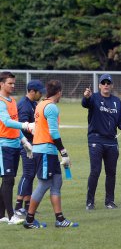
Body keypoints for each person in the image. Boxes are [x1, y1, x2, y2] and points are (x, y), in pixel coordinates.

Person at [23, 80, 78, 229]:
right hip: (45, 150)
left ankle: (60, 219)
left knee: (57, 181)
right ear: (59, 92)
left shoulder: (40, 104)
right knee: (45, 183)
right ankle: (29, 220)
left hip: (46, 150)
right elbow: (53, 132)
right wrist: (64, 152)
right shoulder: (51, 107)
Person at [82, 74, 121, 210]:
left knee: (111, 172)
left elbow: (120, 121)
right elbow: (85, 104)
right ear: (99, 85)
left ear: (112, 85)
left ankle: (109, 201)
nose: (106, 85)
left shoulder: (116, 101)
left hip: (111, 142)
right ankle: (90, 202)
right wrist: (86, 97)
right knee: (95, 171)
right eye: (103, 83)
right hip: (96, 140)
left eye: (108, 83)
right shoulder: (94, 98)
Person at [0, 71, 33, 225]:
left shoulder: (12, 101)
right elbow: (7, 122)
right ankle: (12, 216)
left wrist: (24, 141)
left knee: (8, 181)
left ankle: (1, 216)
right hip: (3, 146)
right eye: (10, 83)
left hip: (14, 144)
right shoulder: (0, 102)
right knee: (8, 179)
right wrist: (25, 125)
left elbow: (15, 124)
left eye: (14, 83)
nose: (13, 86)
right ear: (1, 84)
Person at [14, 80, 45, 216]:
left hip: (34, 144)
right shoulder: (24, 105)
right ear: (32, 91)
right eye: (39, 92)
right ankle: (18, 206)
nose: (41, 94)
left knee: (31, 174)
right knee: (27, 174)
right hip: (26, 144)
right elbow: (22, 127)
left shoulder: (33, 103)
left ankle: (27, 206)